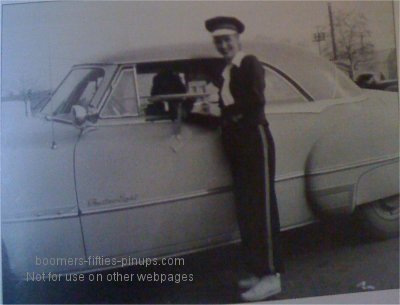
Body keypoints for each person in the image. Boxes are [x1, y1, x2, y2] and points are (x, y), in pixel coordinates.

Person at [204, 16, 284, 302]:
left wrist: (224, 114)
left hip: (254, 139)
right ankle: (257, 269)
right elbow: (225, 109)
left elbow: (254, 102)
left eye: (227, 39)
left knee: (261, 208)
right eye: (218, 41)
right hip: (238, 143)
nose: (223, 45)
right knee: (247, 209)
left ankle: (271, 275)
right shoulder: (226, 70)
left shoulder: (248, 62)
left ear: (238, 39)